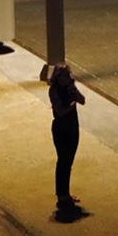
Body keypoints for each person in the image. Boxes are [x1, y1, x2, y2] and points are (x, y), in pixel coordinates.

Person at [49, 64, 86, 210]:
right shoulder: (54, 90)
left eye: (69, 75)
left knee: (68, 162)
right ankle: (61, 195)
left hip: (72, 128)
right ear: (59, 77)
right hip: (61, 129)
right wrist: (72, 102)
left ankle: (66, 194)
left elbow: (83, 100)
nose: (69, 78)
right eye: (66, 75)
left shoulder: (70, 88)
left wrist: (74, 89)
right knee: (63, 161)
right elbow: (60, 110)